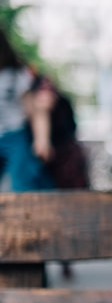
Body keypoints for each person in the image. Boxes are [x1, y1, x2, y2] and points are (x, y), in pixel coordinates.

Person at [0, 28, 53, 191]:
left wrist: (42, 140)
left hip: (14, 135)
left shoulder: (15, 75)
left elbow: (36, 110)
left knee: (21, 179)